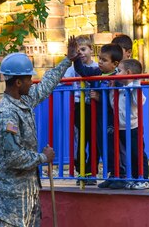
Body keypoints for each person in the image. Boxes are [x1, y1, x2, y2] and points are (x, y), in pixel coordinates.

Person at [0, 37, 78, 227]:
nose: (32, 82)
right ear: (18, 82)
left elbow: (46, 85)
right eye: (29, 78)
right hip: (13, 197)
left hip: (28, 190)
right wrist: (43, 158)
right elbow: (14, 157)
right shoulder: (7, 114)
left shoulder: (24, 101)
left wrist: (67, 60)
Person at [73, 43, 124, 189]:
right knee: (102, 146)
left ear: (115, 64)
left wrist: (100, 98)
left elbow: (116, 100)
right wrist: (76, 57)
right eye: (100, 59)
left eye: (104, 60)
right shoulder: (97, 73)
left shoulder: (117, 78)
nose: (100, 62)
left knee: (112, 146)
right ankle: (111, 174)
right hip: (99, 118)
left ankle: (118, 174)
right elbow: (82, 70)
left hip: (111, 119)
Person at [110, 58, 149, 190]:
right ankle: (134, 178)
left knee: (137, 153)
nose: (116, 73)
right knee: (129, 154)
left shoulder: (134, 88)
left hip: (133, 127)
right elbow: (113, 104)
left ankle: (144, 179)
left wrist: (135, 82)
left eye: (119, 71)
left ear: (128, 73)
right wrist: (111, 89)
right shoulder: (120, 89)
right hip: (121, 127)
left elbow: (139, 101)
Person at [63, 35, 98, 185]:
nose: (81, 53)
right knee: (80, 140)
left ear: (91, 49)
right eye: (78, 51)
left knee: (94, 139)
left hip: (94, 106)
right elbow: (64, 80)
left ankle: (92, 171)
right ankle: (82, 171)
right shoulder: (72, 69)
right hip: (79, 105)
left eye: (83, 49)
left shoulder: (97, 67)